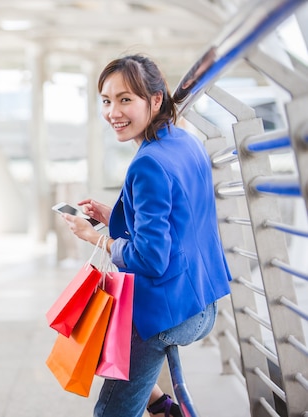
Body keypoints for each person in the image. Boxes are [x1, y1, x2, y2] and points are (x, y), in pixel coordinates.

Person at [59, 54, 232, 417]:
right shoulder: (185, 143)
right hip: (203, 302)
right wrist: (113, 216)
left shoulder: (148, 162)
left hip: (168, 314)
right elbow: (177, 219)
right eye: (106, 101)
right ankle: (161, 405)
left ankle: (158, 405)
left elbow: (152, 259)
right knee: (106, 341)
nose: (113, 112)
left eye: (126, 100)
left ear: (155, 100)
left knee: (110, 408)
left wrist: (95, 238)